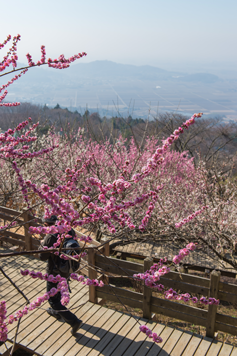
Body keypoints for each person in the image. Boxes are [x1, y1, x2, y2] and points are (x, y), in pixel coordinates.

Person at [39, 215, 82, 335]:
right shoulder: (69, 229)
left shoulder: (50, 236)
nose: (44, 227)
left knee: (52, 299)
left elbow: (42, 256)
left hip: (54, 271)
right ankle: (57, 312)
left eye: (45, 225)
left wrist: (42, 243)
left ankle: (74, 321)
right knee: (58, 291)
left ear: (48, 225)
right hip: (67, 268)